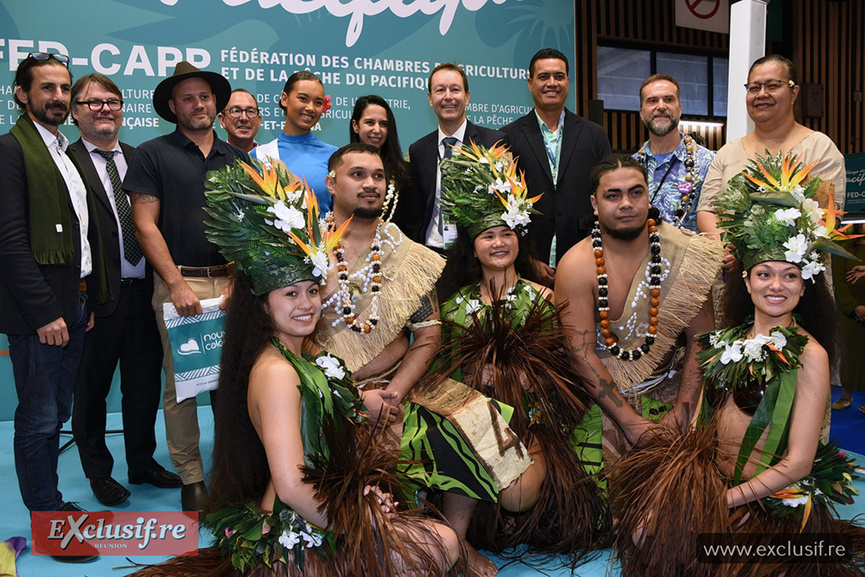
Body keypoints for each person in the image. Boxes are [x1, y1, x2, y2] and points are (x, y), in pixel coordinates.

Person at [130, 159, 460, 577]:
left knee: (440, 542)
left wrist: (362, 405)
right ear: (262, 302)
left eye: (311, 290)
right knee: (438, 546)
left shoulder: (296, 355)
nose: (306, 304)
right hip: (293, 535)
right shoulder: (276, 372)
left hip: (316, 514)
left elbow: (315, 399)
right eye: (289, 293)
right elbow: (291, 486)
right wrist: (361, 521)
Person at [610, 152, 865, 576]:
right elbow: (698, 430)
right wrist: (682, 487)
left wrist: (724, 502)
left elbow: (799, 462)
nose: (776, 286)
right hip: (714, 484)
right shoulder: (725, 343)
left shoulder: (811, 355)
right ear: (746, 282)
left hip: (771, 500)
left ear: (805, 286)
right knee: (642, 532)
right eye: (765, 274)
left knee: (710, 559)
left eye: (789, 276)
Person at [420, 143, 606, 575]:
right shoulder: (454, 308)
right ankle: (457, 544)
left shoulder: (544, 299)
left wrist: (520, 375)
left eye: (507, 233)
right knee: (471, 425)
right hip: (474, 419)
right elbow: (440, 378)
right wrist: (475, 376)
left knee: (518, 495)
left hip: (532, 418)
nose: (499, 242)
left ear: (519, 238)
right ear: (473, 245)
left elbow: (567, 373)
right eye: (488, 235)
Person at [0, 52, 111, 562]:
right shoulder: (10, 151)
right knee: (40, 419)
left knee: (55, 413)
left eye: (64, 88)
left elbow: (80, 236)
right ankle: (46, 522)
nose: (58, 97)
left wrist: (82, 296)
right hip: (40, 315)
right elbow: (10, 243)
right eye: (46, 88)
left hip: (74, 304)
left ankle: (51, 502)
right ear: (22, 94)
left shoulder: (63, 152)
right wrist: (46, 311)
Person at [125, 61, 250, 512]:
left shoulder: (237, 158)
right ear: (173, 106)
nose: (198, 104)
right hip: (179, 282)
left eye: (205, 97)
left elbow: (248, 225)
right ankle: (192, 476)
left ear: (215, 103)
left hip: (233, 284)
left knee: (230, 383)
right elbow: (145, 226)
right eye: (188, 98)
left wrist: (239, 278)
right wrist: (176, 283)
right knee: (183, 385)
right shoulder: (152, 154)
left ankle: (233, 468)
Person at [555, 154, 723, 462]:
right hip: (602, 397)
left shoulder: (685, 254)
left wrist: (683, 412)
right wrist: (631, 423)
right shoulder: (575, 266)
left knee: (687, 489)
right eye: (613, 195)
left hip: (674, 388)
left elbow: (702, 340)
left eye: (636, 192)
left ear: (648, 195)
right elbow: (580, 354)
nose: (626, 203)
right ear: (595, 204)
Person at [68, 73, 178, 507]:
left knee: (143, 385)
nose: (104, 109)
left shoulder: (141, 159)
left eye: (111, 101)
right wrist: (78, 295)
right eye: (92, 102)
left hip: (146, 293)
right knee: (91, 391)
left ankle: (142, 463)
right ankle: (99, 473)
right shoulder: (66, 161)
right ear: (76, 111)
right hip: (96, 298)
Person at [697, 55, 846, 240]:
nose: (761, 94)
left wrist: (768, 253)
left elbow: (825, 218)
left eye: (773, 85)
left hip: (797, 264)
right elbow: (707, 211)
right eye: (754, 87)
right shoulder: (727, 152)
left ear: (794, 93)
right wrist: (729, 250)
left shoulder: (819, 148)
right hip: (732, 265)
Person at [501, 48, 612, 285]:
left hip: (585, 259)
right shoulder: (507, 137)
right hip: (527, 264)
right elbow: (500, 206)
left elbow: (607, 196)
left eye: (559, 76)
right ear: (530, 83)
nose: (552, 83)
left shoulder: (594, 135)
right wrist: (526, 259)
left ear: (568, 81)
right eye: (544, 77)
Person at [399, 64, 510, 250]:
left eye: (455, 89)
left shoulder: (493, 144)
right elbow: (415, 212)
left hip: (474, 253)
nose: (448, 96)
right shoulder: (418, 150)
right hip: (430, 252)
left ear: (467, 97)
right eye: (440, 90)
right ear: (430, 99)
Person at [633, 73, 714, 231]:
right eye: (652, 100)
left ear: (679, 108)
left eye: (668, 100)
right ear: (642, 112)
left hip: (692, 254)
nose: (661, 106)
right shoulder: (631, 167)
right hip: (640, 255)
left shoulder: (709, 163)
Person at [253, 71, 336, 211]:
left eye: (318, 102)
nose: (310, 108)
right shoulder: (258, 156)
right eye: (303, 99)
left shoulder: (335, 156)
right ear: (284, 99)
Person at [349, 94, 410, 222]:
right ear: (355, 126)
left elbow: (413, 224)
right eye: (370, 122)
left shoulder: (405, 173)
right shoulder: (342, 168)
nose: (377, 130)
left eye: (383, 124)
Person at [831, 225, 865, 412]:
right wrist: (854, 308)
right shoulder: (843, 245)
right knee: (850, 355)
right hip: (850, 312)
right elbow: (840, 283)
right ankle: (846, 397)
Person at [217, 88, 261, 152]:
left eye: (250, 111)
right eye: (236, 111)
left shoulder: (271, 159)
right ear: (222, 120)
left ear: (259, 121)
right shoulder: (212, 160)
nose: (244, 118)